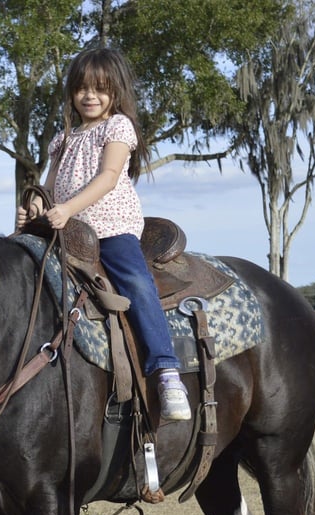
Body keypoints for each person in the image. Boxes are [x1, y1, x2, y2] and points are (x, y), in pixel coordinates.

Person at [16, 48, 190, 421]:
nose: (90, 96)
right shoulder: (64, 139)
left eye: (100, 88)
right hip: (66, 232)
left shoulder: (117, 127)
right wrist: (35, 208)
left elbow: (108, 177)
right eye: (82, 88)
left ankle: (166, 368)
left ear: (116, 91)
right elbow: (49, 186)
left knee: (135, 283)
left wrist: (67, 209)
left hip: (109, 228)